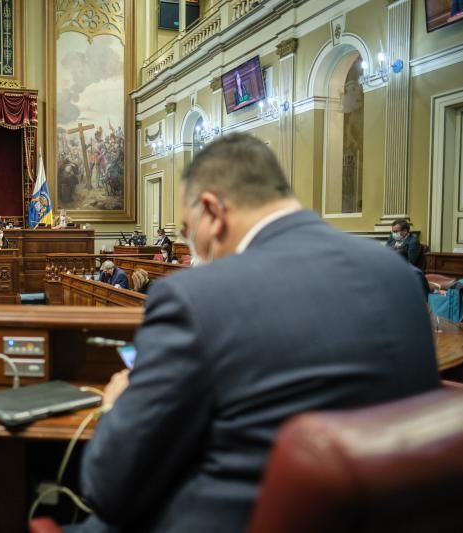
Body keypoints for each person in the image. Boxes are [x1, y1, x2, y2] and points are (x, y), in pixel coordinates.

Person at [76, 133, 439, 533]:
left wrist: (114, 406)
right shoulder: (400, 276)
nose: (187, 241)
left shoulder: (194, 298)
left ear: (212, 211)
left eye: (186, 228)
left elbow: (110, 487)